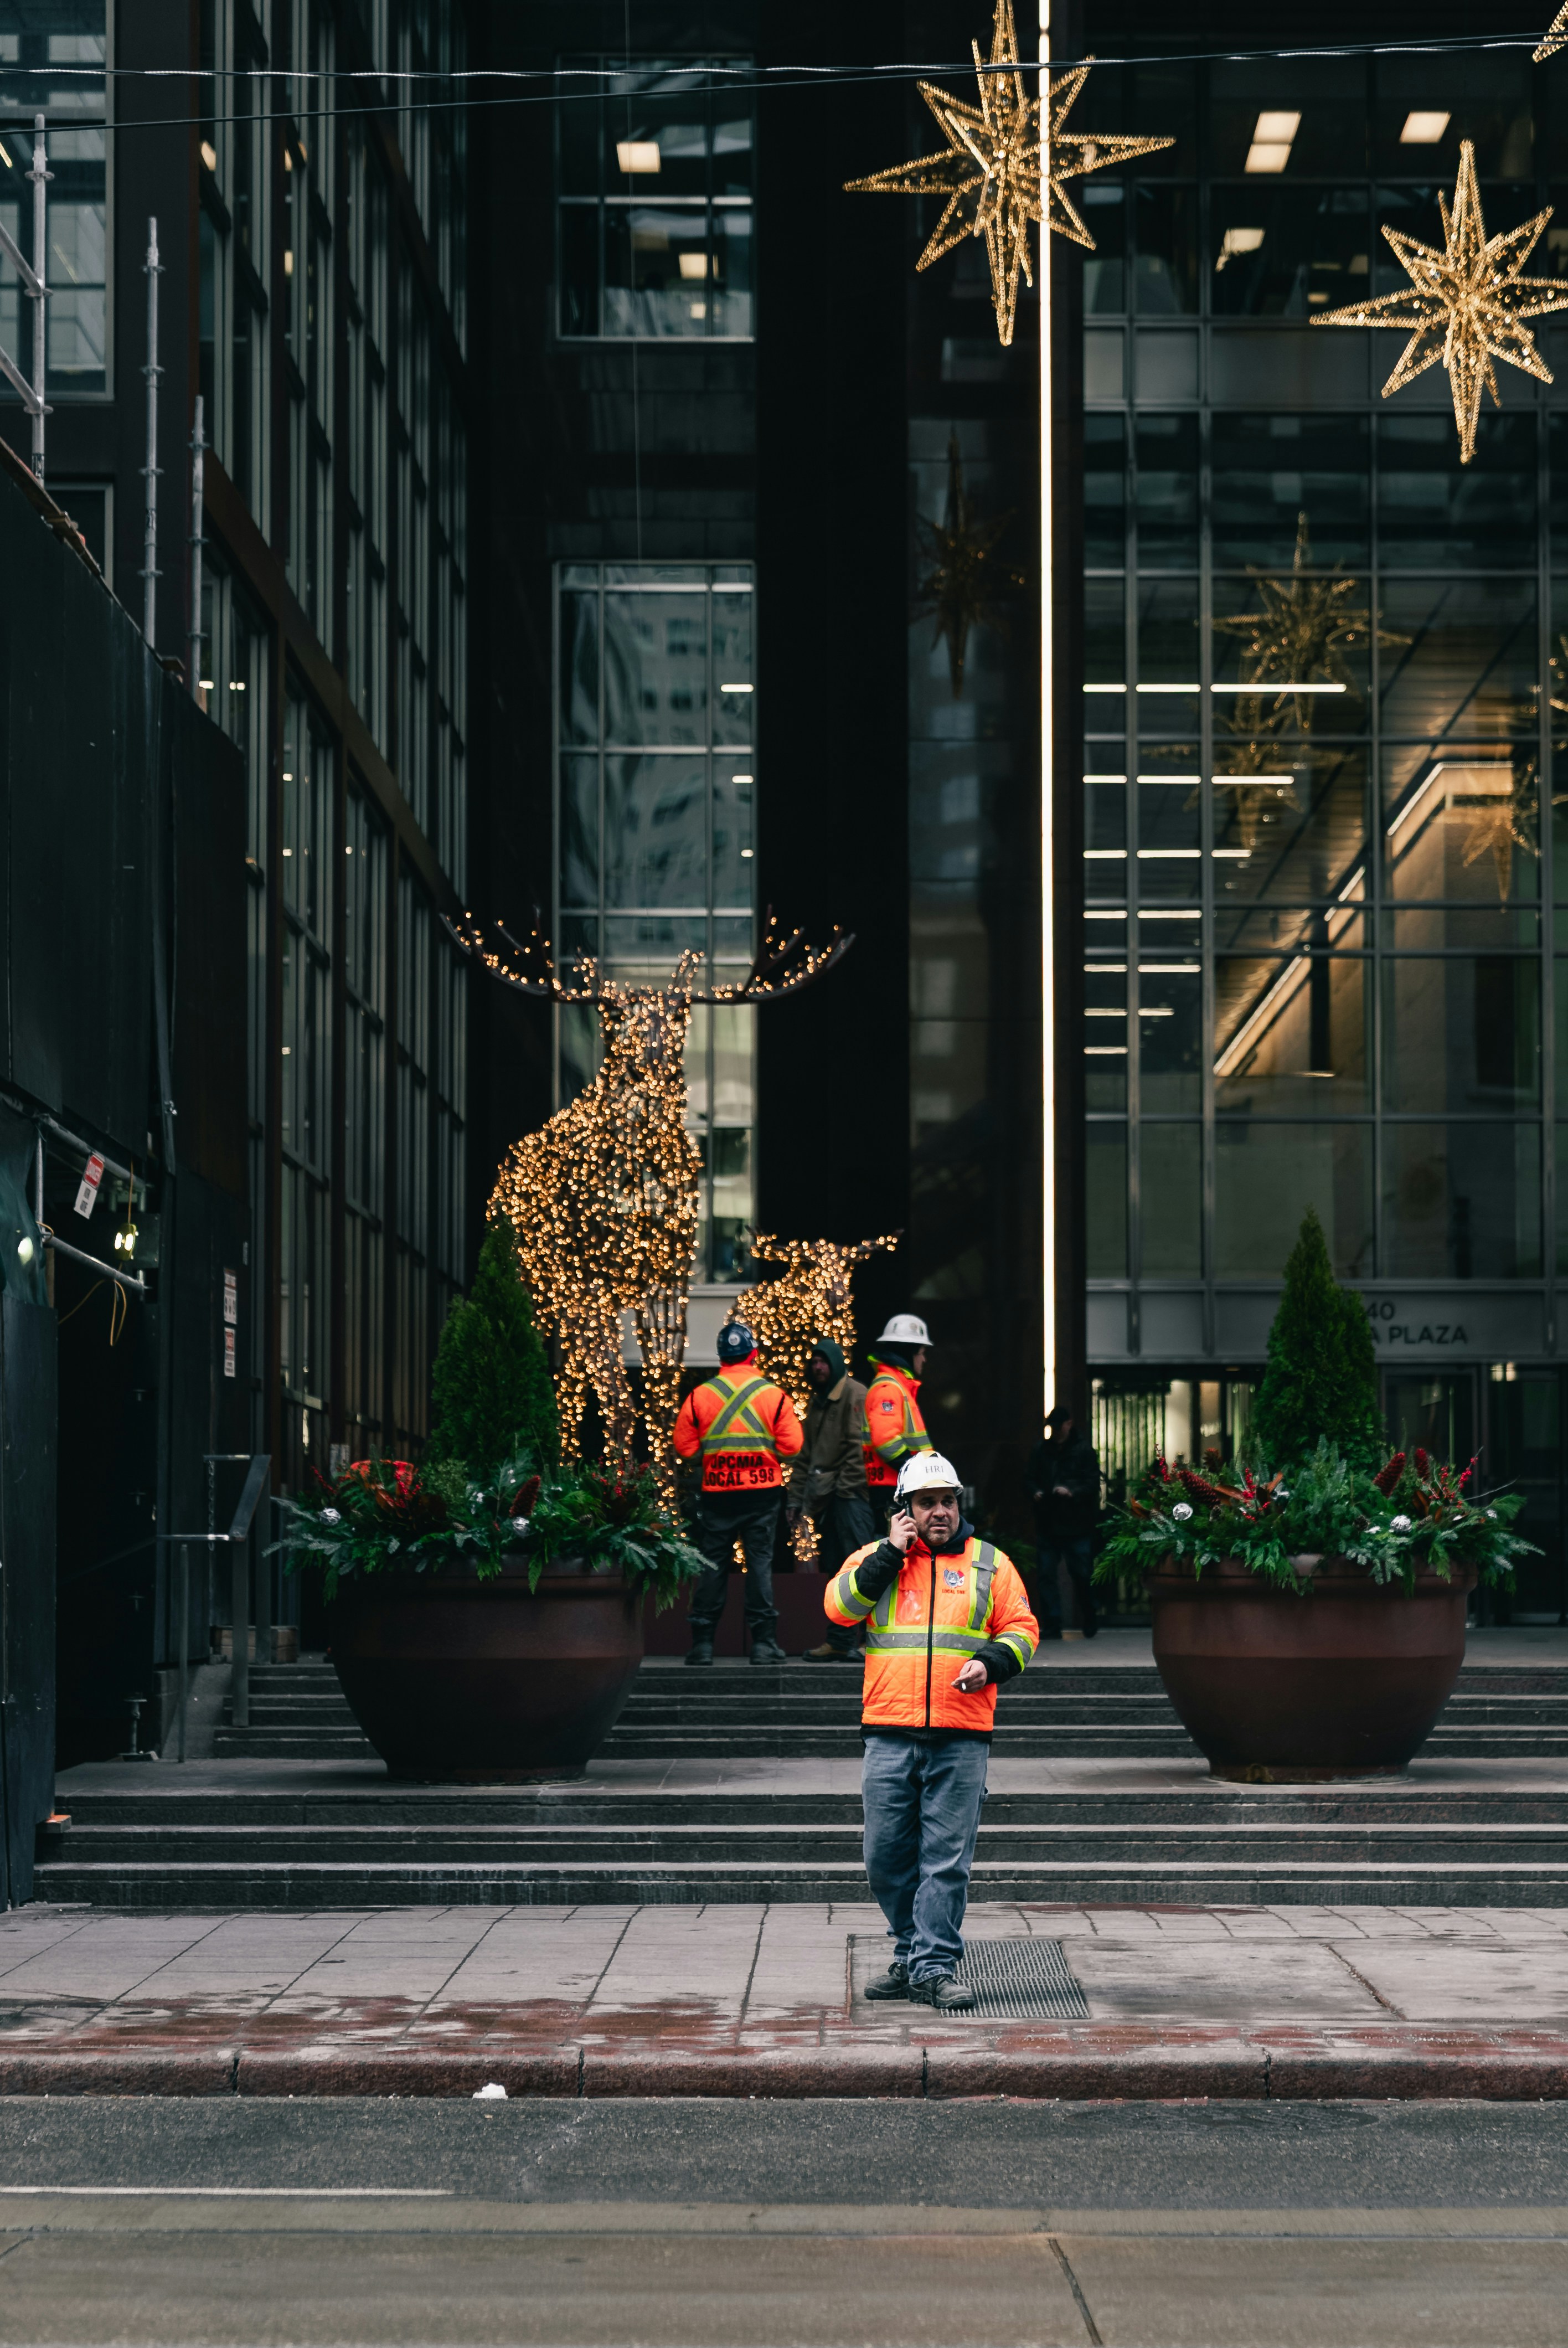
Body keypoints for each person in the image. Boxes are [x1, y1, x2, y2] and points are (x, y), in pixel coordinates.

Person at [824, 1451, 1039, 2011]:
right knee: (884, 1858)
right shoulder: (876, 1557)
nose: (940, 1511)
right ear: (905, 1509)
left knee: (945, 1861)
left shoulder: (990, 1563)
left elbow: (1023, 1627)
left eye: (947, 1500)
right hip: (889, 1730)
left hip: (962, 1734)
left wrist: (991, 1662)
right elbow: (838, 1610)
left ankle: (932, 1966)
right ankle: (913, 1949)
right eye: (927, 1502)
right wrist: (891, 1554)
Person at [673, 1319, 804, 1667]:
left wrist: (713, 1456)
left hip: (718, 1493)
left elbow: (685, 1449)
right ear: (754, 1354)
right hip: (762, 1494)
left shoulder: (700, 1396)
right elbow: (792, 1447)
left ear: (721, 1357)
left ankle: (702, 1645)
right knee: (759, 1564)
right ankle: (763, 1644)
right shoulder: (774, 1396)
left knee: (713, 1566)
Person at [788, 1338, 877, 1664]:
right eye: (814, 1362)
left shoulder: (855, 1394)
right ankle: (840, 1641)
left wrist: (844, 1491)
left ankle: (872, 1641)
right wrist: (795, 1499)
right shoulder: (818, 1402)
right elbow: (806, 1455)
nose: (818, 1367)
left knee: (864, 1569)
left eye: (824, 1361)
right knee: (840, 1573)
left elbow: (858, 1449)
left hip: (850, 1499)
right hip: (830, 1501)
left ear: (837, 1363)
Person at [1027, 1404, 1102, 1640]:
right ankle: (1053, 1624)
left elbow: (1092, 1485)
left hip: (1076, 1524)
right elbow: (1028, 1478)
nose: (1056, 1432)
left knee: (1082, 1574)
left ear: (1069, 1425)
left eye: (1059, 1427)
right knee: (1047, 1576)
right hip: (1050, 1523)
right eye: (1053, 1428)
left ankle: (1089, 1617)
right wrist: (1036, 1491)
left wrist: (1072, 1492)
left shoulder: (1083, 1451)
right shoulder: (1042, 1450)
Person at [863, 1313, 936, 1503]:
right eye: (922, 1353)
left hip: (898, 1485)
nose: (924, 1360)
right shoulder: (888, 1388)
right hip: (893, 1488)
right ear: (908, 1353)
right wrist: (917, 1471)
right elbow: (886, 1441)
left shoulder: (897, 1387)